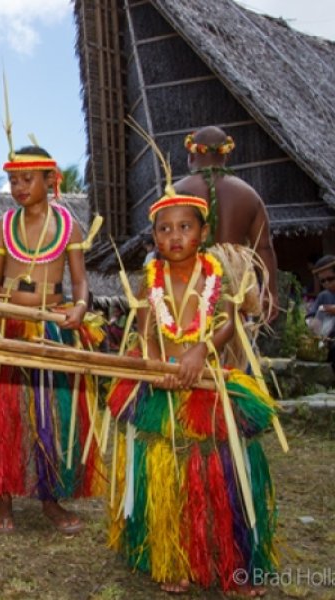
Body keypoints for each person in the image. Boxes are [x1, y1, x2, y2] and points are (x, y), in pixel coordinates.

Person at [106, 188, 280, 595]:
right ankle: (173, 557)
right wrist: (154, 366)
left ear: (202, 232)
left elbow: (227, 320)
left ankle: (230, 563)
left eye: (185, 227)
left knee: (219, 477)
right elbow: (147, 330)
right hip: (163, 385)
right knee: (169, 478)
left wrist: (202, 350)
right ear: (154, 239)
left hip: (209, 384)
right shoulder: (150, 280)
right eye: (164, 230)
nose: (175, 236)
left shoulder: (216, 274)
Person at [0, 144, 104, 535]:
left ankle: (51, 498)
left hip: (53, 326)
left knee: (52, 414)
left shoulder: (69, 226)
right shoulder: (3, 225)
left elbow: (80, 282)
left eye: (27, 178)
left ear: (50, 180)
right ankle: (2, 496)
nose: (18, 186)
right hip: (10, 326)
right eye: (13, 179)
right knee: (6, 413)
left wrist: (79, 308)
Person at [174, 126, 279, 322]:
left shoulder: (176, 192)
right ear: (226, 156)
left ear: (191, 155)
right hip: (233, 283)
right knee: (231, 341)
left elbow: (163, 245)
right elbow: (264, 247)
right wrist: (270, 291)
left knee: (188, 345)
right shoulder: (249, 194)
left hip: (188, 282)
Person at [308, 255, 335, 371]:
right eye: (323, 281)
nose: (326, 284)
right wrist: (314, 323)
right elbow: (312, 319)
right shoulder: (324, 296)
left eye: (330, 279)